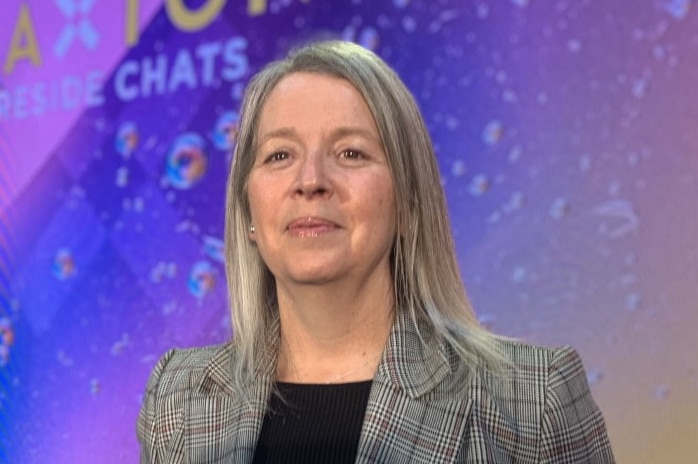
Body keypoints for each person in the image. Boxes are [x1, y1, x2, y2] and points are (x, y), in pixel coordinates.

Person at [137, 40, 615, 463]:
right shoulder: (177, 399)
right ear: (248, 215)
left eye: (351, 153)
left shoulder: (533, 399)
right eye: (280, 155)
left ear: (408, 201)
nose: (310, 182)